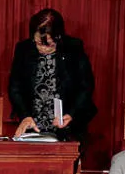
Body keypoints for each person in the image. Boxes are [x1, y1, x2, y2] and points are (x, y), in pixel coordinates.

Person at [8, 8, 97, 140]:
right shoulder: (24, 49)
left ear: (58, 37)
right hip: (32, 126)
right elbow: (15, 87)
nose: (42, 48)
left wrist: (72, 114)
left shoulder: (73, 48)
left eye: (49, 44)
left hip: (67, 128)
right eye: (38, 43)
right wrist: (25, 115)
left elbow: (86, 86)